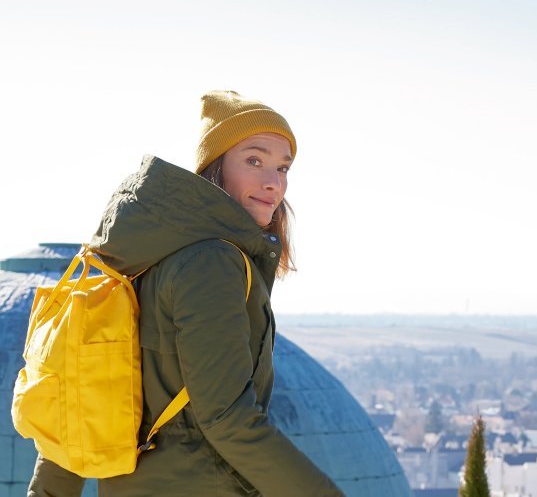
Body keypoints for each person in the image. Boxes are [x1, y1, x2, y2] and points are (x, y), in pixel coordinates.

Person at [26, 91, 343, 496]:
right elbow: (227, 419)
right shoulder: (211, 262)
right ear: (215, 167)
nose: (273, 182)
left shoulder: (145, 255)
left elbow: (83, 397)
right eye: (254, 160)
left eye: (283, 167)